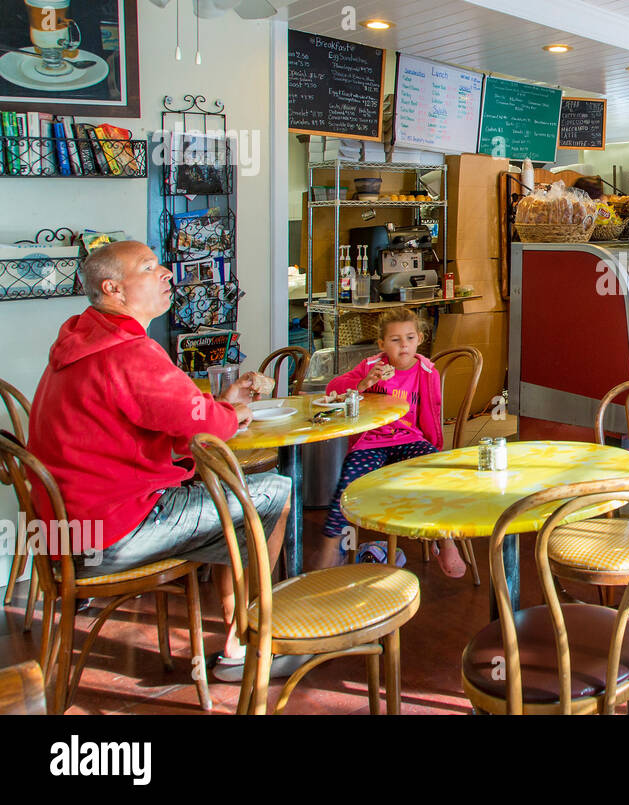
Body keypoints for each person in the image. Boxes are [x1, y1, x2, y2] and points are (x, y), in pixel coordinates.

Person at [27, 240, 291, 674]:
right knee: (273, 494)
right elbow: (208, 427)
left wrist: (217, 406)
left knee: (234, 501)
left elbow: (159, 420)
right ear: (114, 289)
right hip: (111, 535)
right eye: (150, 268)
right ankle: (243, 645)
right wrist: (235, 410)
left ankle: (238, 630)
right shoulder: (129, 351)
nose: (167, 272)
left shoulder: (82, 339)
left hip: (63, 535)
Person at [313, 308, 465, 577]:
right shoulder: (372, 366)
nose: (403, 345)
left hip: (409, 440)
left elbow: (431, 415)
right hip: (371, 443)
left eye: (409, 337)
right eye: (395, 340)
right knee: (347, 483)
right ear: (382, 344)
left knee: (437, 474)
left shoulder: (427, 372)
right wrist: (363, 382)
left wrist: (433, 449)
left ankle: (445, 540)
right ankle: (331, 545)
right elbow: (332, 389)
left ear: (419, 339)